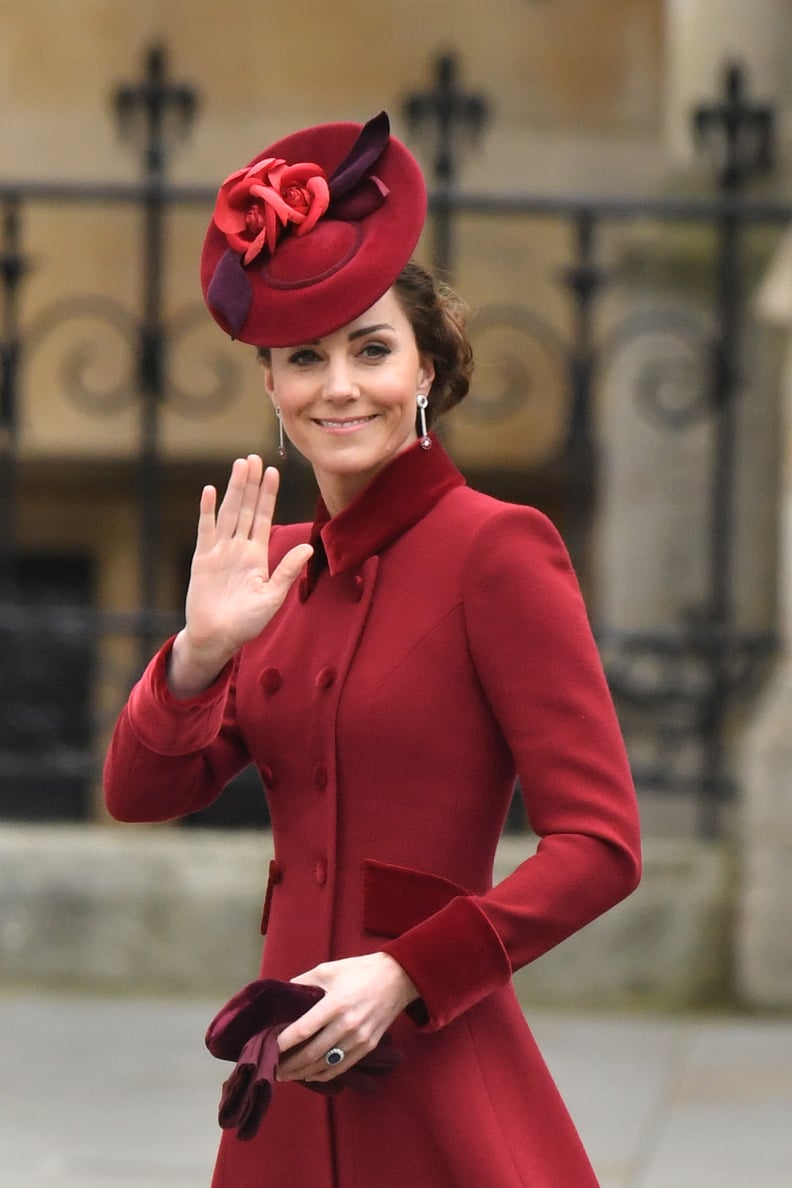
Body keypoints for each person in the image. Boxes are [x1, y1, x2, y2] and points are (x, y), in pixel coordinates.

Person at [104, 111, 641, 1188]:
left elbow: (602, 846)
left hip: (440, 1077)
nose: (339, 386)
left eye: (373, 349)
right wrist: (200, 655)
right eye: (304, 358)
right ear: (270, 385)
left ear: (429, 370)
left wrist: (406, 971)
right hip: (289, 1103)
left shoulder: (498, 551)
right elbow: (140, 795)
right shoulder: (273, 568)